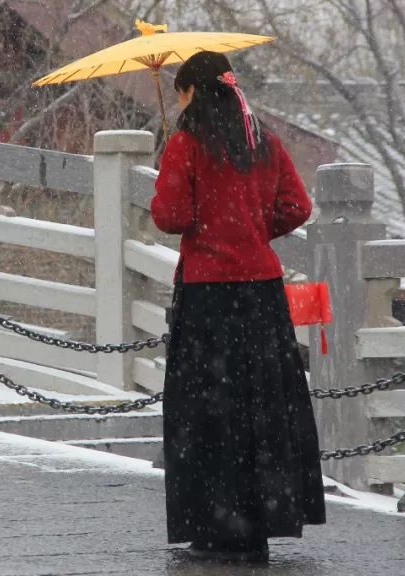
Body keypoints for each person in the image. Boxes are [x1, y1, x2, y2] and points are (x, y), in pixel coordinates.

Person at [151, 50, 325, 562]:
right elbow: (298, 206)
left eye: (180, 93)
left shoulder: (186, 145)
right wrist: (251, 233)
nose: (179, 104)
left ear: (194, 93)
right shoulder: (263, 143)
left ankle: (215, 527)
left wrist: (181, 187)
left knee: (209, 413)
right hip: (261, 297)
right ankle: (260, 525)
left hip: (209, 296)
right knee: (263, 410)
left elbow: (170, 215)